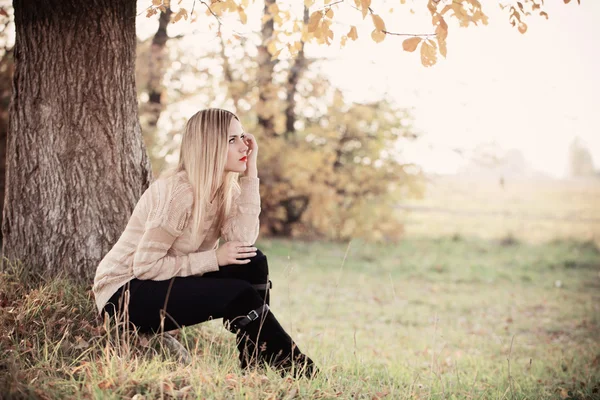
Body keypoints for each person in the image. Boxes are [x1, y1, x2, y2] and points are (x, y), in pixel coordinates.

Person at [92, 108, 317, 378]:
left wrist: (250, 173)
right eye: (231, 140)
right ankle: (298, 369)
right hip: (124, 294)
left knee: (254, 260)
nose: (244, 145)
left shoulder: (225, 189)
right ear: (209, 146)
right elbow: (145, 267)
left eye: (242, 137)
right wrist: (214, 259)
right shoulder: (179, 193)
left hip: (161, 281)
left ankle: (254, 358)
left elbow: (243, 243)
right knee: (239, 294)